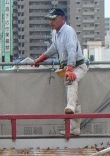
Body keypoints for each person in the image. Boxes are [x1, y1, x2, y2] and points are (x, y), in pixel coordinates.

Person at [33, 7, 88, 136]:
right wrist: (41, 58)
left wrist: (69, 69)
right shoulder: (56, 33)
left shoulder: (68, 31)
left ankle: (71, 108)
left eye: (54, 19)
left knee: (71, 81)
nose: (51, 22)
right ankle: (74, 128)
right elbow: (54, 48)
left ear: (62, 19)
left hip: (78, 66)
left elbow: (72, 51)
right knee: (73, 97)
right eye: (50, 19)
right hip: (68, 66)